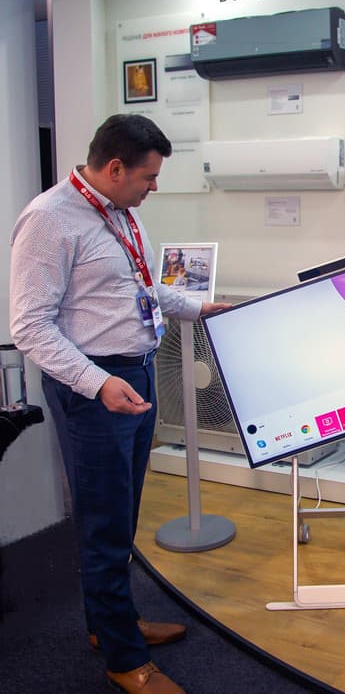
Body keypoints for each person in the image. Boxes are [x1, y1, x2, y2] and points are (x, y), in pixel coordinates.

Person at [9, 114, 229, 694]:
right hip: (94, 388)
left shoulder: (119, 212)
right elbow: (30, 326)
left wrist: (197, 308)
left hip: (135, 374)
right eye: (148, 178)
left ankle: (109, 626)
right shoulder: (50, 220)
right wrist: (97, 382)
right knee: (105, 523)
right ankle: (124, 659)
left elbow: (140, 288)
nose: (153, 187)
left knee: (122, 513)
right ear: (113, 168)